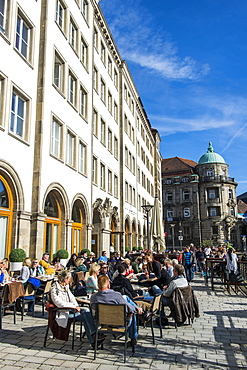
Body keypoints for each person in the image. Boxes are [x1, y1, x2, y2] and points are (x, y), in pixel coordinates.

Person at [50, 270, 105, 348]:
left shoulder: (66, 287)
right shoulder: (54, 289)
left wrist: (76, 306)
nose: (70, 280)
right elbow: (59, 303)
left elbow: (72, 298)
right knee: (86, 312)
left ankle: (93, 340)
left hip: (71, 310)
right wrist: (73, 306)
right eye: (69, 278)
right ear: (65, 279)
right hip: (63, 312)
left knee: (86, 314)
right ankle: (94, 336)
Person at [90, 275, 143, 346]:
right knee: (132, 312)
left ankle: (142, 313)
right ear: (108, 285)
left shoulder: (94, 297)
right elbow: (129, 308)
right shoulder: (116, 295)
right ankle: (133, 338)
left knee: (126, 298)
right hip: (120, 323)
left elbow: (93, 308)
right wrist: (136, 309)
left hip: (103, 322)